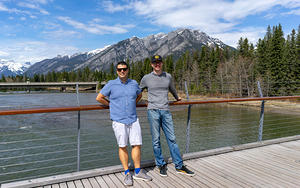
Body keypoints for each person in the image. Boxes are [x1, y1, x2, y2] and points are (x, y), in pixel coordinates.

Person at [96, 61, 152, 186]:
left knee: (137, 144)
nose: (122, 71)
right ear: (117, 71)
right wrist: (111, 105)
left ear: (128, 70)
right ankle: (127, 173)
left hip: (133, 119)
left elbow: (139, 95)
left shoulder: (134, 83)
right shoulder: (111, 84)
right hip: (118, 120)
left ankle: (138, 171)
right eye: (120, 69)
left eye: (124, 69)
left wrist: (134, 103)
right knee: (122, 146)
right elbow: (99, 98)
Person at [140, 55, 195, 177]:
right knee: (156, 140)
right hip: (153, 111)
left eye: (159, 62)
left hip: (165, 111)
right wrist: (138, 101)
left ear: (162, 63)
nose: (157, 64)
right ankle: (161, 164)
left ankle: (179, 166)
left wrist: (177, 98)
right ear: (151, 64)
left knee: (172, 139)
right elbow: (138, 90)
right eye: (155, 63)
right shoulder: (146, 78)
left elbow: (172, 89)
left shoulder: (168, 76)